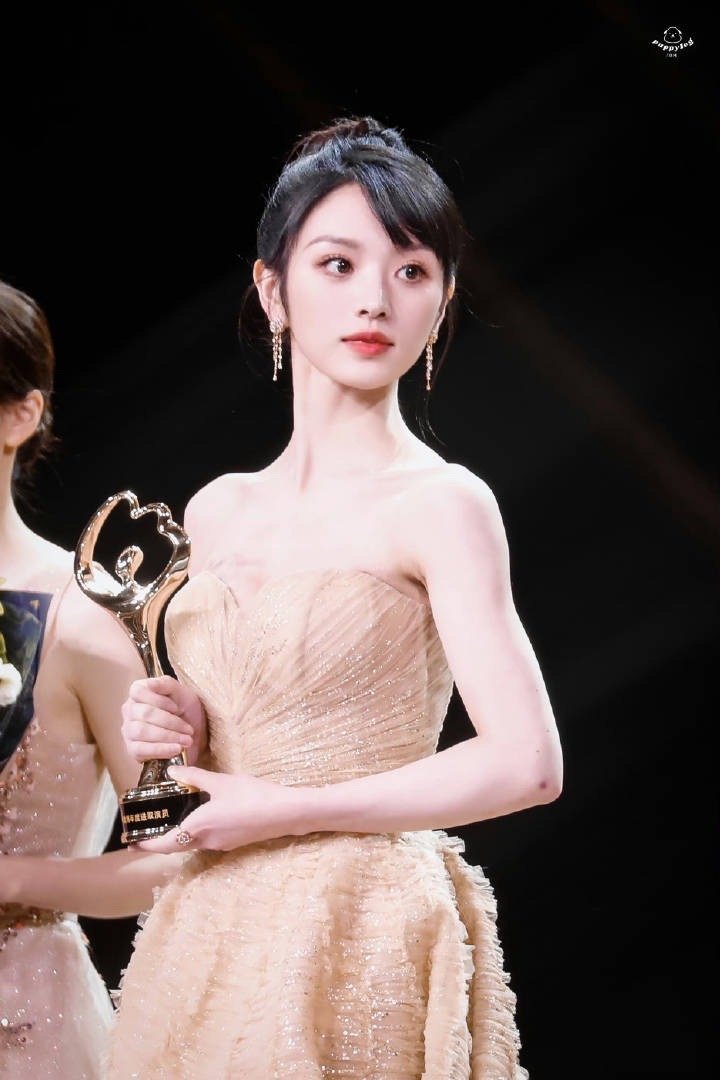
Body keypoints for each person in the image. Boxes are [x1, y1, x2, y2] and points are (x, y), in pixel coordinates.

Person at [108, 116, 563, 1079]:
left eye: (411, 271)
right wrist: (177, 722)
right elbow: (233, 741)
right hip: (208, 929)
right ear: (272, 289)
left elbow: (527, 764)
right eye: (337, 264)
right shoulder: (217, 509)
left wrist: (284, 810)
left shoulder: (441, 503)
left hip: (363, 926)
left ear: (441, 300)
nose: (375, 299)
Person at [0, 280, 184, 1078]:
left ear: (20, 415)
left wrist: (13, 879)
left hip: (22, 1022)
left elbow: (173, 858)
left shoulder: (80, 619)